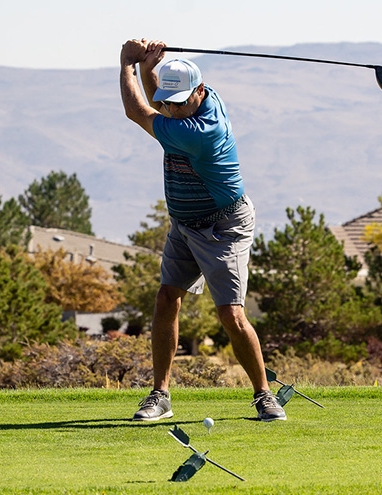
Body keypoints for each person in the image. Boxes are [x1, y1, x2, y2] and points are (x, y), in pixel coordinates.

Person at [119, 38, 286, 422]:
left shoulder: (200, 132)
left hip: (223, 225)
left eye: (179, 102)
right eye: (169, 101)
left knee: (230, 314)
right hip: (185, 222)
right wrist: (150, 67)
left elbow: (137, 111)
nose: (172, 110)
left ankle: (263, 394)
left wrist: (127, 63)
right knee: (166, 299)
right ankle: (160, 395)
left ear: (199, 92)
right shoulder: (202, 100)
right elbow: (157, 103)